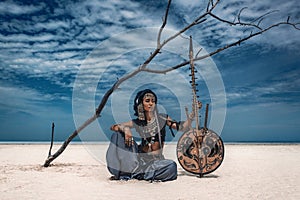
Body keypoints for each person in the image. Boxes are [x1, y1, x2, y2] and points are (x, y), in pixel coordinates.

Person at [106, 89, 194, 182]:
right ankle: (131, 172)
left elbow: (182, 127)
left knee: (171, 166)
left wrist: (192, 116)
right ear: (141, 104)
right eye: (147, 101)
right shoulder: (138, 122)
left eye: (153, 101)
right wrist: (125, 129)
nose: (151, 103)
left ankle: (138, 174)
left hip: (155, 163)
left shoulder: (163, 118)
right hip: (138, 161)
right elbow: (114, 127)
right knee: (118, 135)